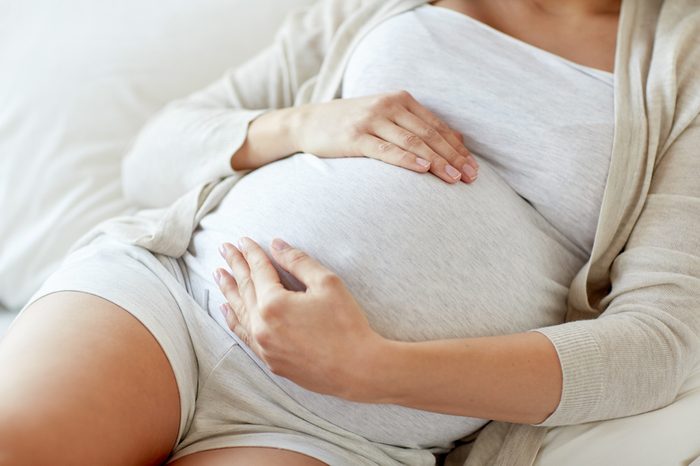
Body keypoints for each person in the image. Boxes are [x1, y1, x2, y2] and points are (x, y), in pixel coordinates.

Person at [1, 0, 699, 465]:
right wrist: (304, 125)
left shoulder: (685, 59)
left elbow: (659, 342)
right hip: (174, 303)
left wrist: (368, 368)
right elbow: (152, 156)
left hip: (342, 427)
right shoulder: (379, 6)